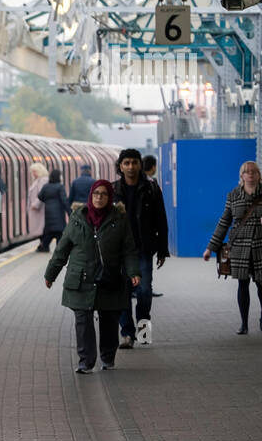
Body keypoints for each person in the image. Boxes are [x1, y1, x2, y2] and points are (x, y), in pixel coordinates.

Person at [45, 180, 142, 372]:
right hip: (81, 279)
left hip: (109, 278)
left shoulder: (119, 220)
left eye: (104, 194)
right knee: (83, 321)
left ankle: (107, 358)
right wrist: (51, 273)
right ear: (90, 195)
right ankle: (86, 362)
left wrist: (133, 272)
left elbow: (128, 250)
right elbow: (62, 249)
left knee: (109, 319)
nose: (99, 197)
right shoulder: (77, 219)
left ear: (110, 197)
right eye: (96, 193)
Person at [202, 161, 262, 334]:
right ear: (241, 176)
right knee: (243, 283)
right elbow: (224, 223)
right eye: (246, 172)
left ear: (258, 175)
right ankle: (244, 323)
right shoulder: (233, 195)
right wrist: (210, 248)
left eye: (253, 172)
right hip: (240, 245)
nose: (250, 175)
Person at [112, 148, 169, 347]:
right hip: (119, 251)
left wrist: (163, 249)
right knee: (123, 293)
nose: (130, 167)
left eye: (134, 162)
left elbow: (161, 219)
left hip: (144, 249)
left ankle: (144, 331)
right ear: (120, 166)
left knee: (144, 291)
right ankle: (127, 333)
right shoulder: (113, 190)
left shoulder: (151, 188)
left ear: (140, 165)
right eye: (126, 163)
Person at [37, 168, 69, 251]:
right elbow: (64, 200)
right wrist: (69, 212)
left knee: (50, 230)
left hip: (48, 211)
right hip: (58, 211)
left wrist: (48, 202)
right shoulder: (60, 187)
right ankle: (60, 249)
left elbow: (40, 196)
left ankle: (44, 246)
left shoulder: (46, 186)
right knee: (60, 231)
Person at [27, 161, 48, 246]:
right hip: (37, 210)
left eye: (35, 171)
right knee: (39, 228)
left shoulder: (42, 181)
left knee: (40, 228)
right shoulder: (38, 181)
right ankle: (42, 243)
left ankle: (43, 244)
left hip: (39, 209)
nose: (33, 173)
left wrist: (35, 205)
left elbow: (41, 194)